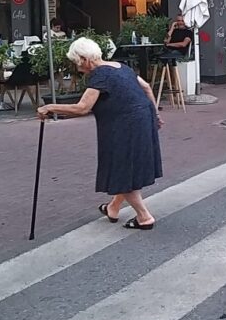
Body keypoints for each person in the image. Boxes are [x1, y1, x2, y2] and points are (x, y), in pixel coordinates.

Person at [37, 38, 163, 230]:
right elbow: (146, 87)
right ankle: (113, 208)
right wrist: (155, 115)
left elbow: (82, 108)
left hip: (124, 126)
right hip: (143, 118)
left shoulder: (100, 74)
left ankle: (144, 217)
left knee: (121, 169)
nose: (77, 67)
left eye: (76, 62)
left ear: (84, 58)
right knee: (129, 167)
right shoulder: (121, 67)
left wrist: (50, 107)